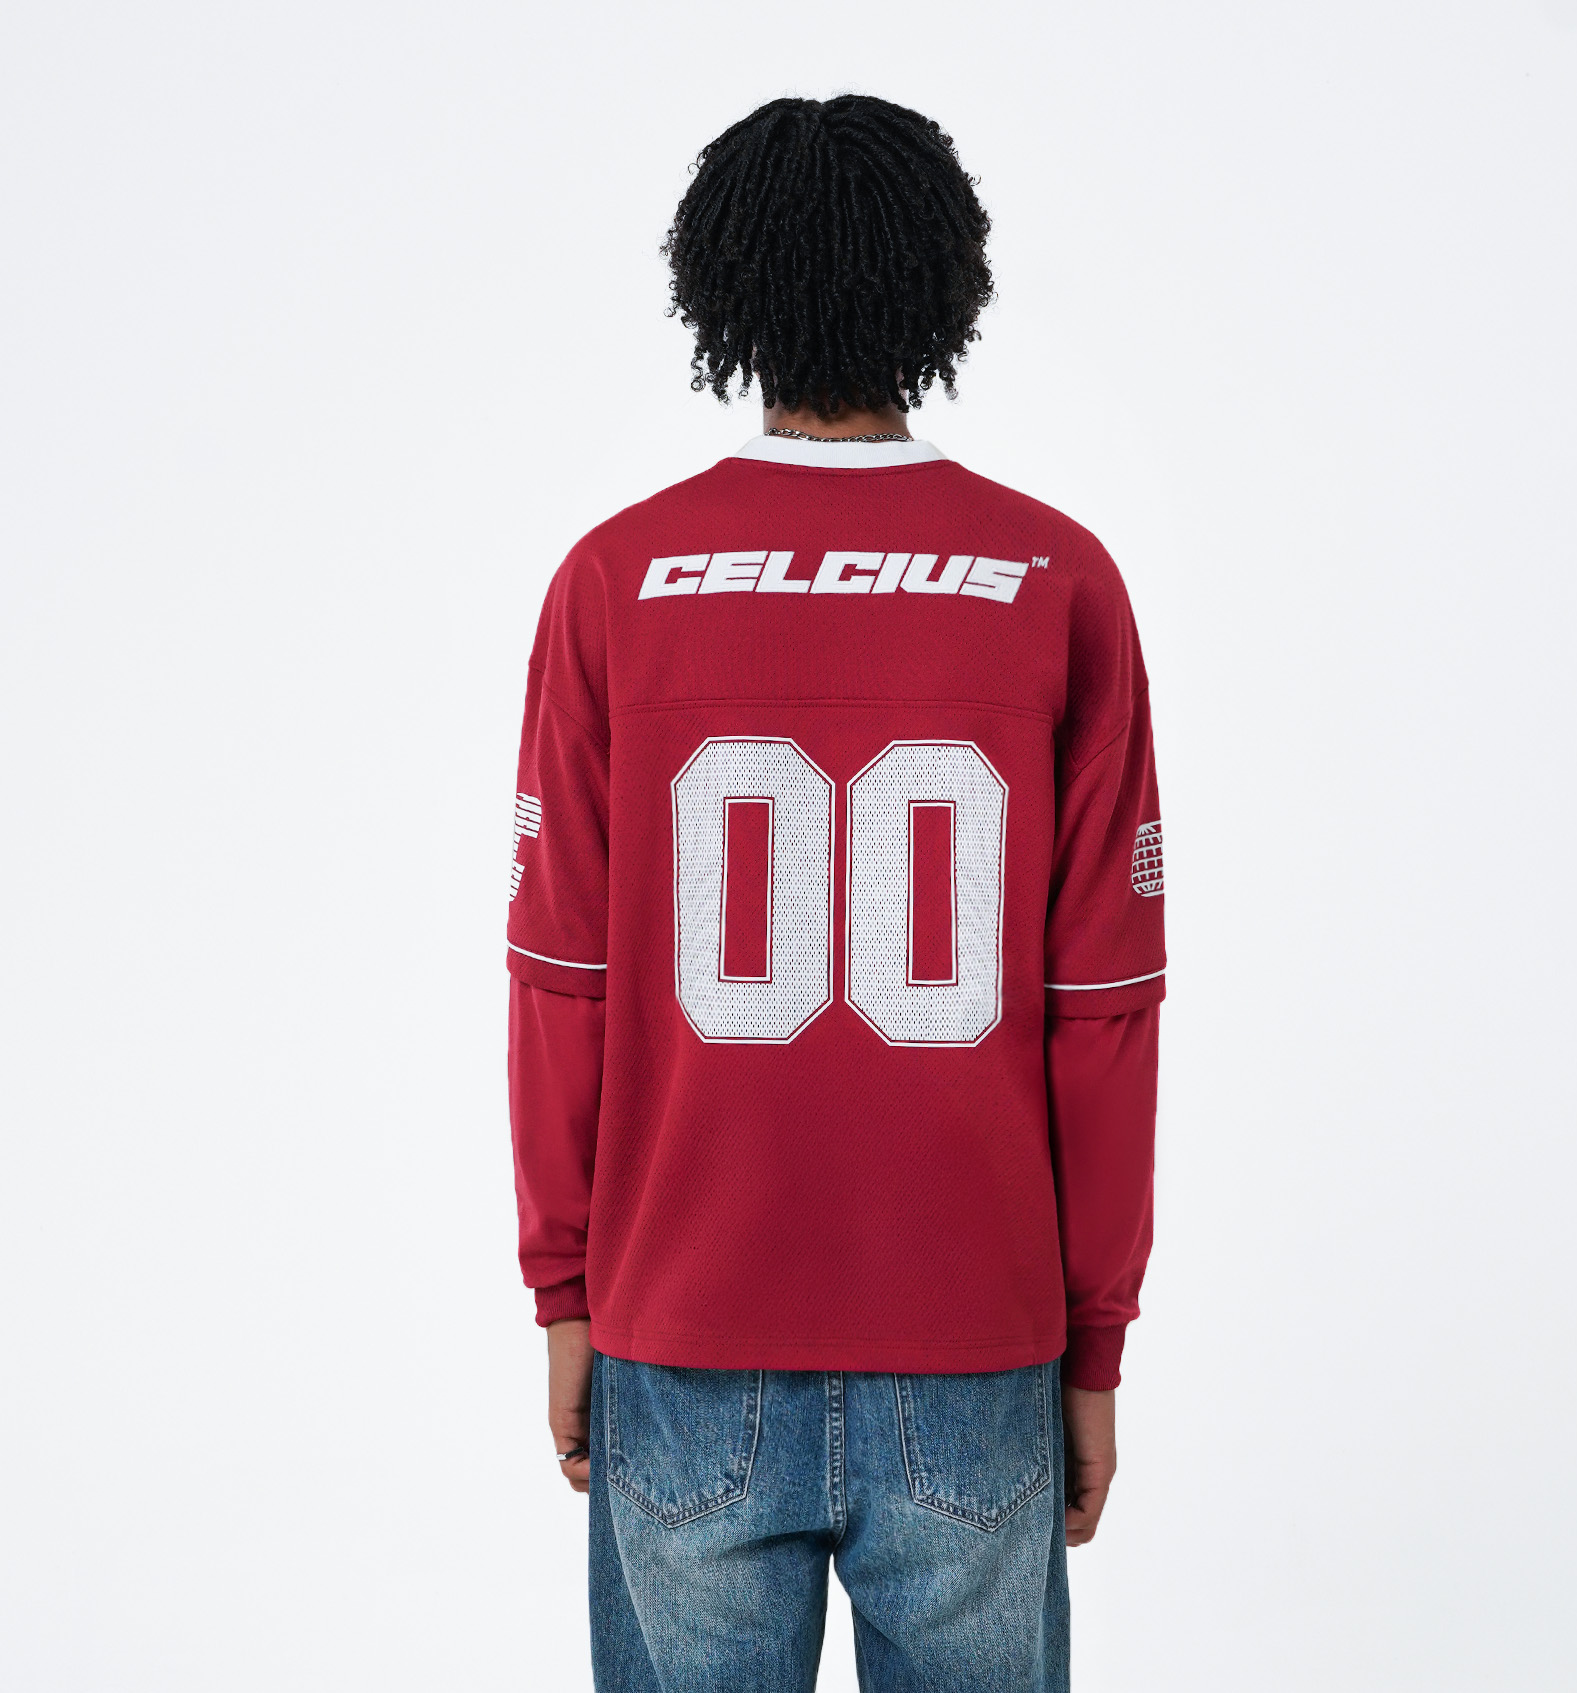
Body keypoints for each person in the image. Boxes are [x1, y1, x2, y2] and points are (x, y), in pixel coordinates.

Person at [506, 93, 1165, 1693]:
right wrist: (1094, 1338)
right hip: (974, 1336)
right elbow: (1103, 1010)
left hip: (680, 1322)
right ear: (945, 284)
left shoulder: (615, 580)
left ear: (718, 289)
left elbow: (559, 979)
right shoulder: (1053, 578)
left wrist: (564, 1288)